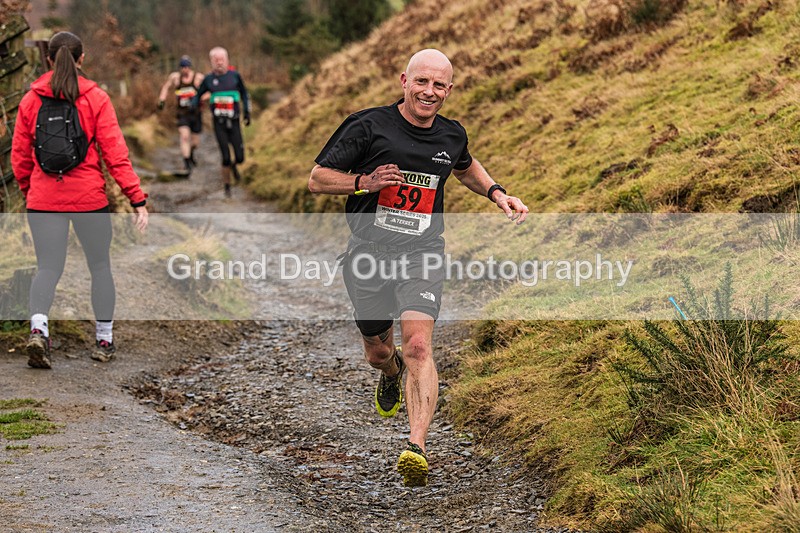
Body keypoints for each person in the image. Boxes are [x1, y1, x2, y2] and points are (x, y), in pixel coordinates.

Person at [308, 49, 528, 486]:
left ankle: (416, 446)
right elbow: (317, 178)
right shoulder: (367, 126)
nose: (430, 92)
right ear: (404, 81)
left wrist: (497, 193)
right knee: (378, 350)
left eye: (440, 85)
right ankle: (390, 375)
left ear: (450, 89)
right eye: (422, 82)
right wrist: (362, 183)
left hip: (422, 254)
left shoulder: (450, 135)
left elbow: (465, 166)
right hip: (369, 253)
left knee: (420, 348)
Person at [11, 31, 149, 369]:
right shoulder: (95, 98)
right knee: (99, 266)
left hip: (44, 199)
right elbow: (115, 154)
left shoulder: (31, 99)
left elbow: (19, 156)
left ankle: (39, 330)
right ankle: (104, 340)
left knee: (47, 267)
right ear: (82, 59)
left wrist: (33, 191)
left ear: (48, 59)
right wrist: (136, 198)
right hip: (89, 198)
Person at [192, 47, 250, 198]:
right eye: (216, 60)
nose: (219, 62)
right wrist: (194, 104)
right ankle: (227, 187)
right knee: (225, 156)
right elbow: (198, 95)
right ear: (211, 62)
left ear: (227, 60)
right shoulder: (208, 79)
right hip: (219, 123)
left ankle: (234, 166)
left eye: (222, 59)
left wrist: (247, 112)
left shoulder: (235, 76)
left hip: (235, 120)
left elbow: (244, 94)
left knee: (240, 157)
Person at [157, 55, 204, 175]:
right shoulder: (175, 78)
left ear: (190, 67)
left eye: (187, 66)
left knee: (195, 143)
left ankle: (191, 153)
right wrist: (162, 100)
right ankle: (187, 162)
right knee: (184, 136)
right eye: (182, 67)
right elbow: (166, 87)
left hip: (196, 113)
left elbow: (208, 91)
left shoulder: (198, 78)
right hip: (182, 113)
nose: (185, 69)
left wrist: (200, 99)